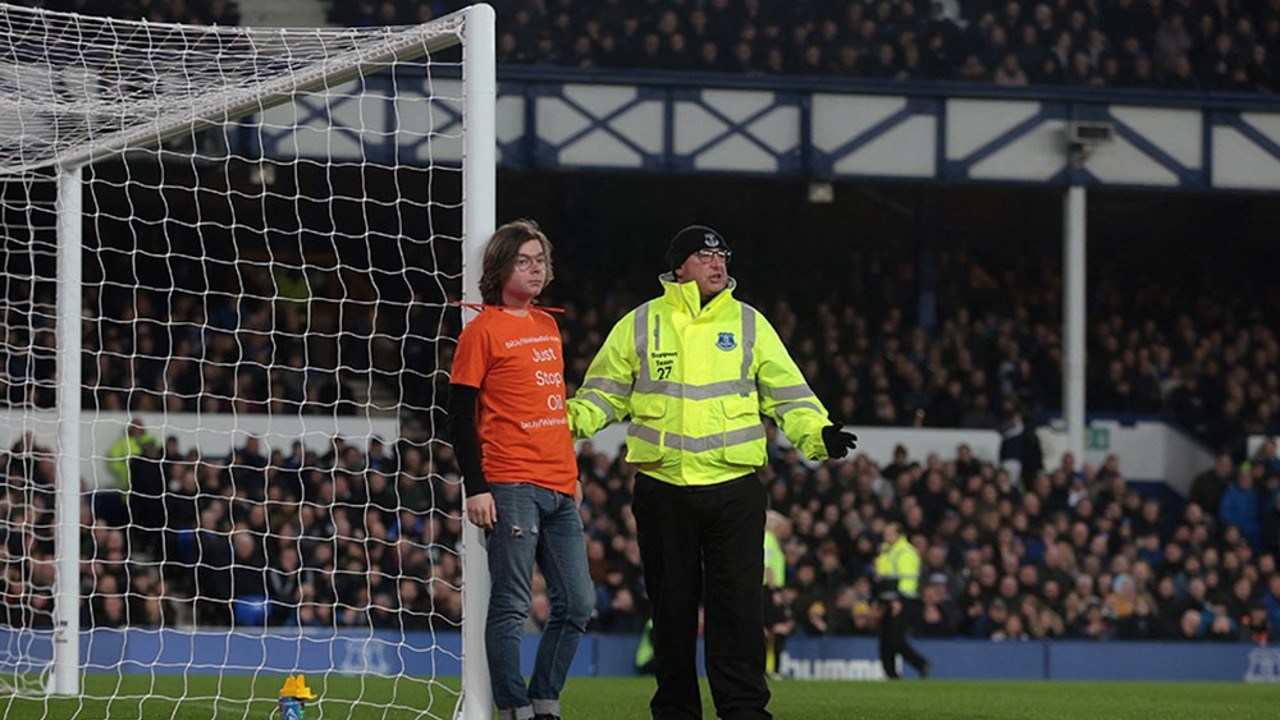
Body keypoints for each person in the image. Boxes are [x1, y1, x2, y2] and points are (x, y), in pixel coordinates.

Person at [567, 225, 857, 720]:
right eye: (705, 256)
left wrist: (818, 433)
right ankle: (675, 711)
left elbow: (789, 393)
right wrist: (558, 422)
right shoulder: (641, 323)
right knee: (671, 611)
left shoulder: (749, 323)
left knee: (740, 608)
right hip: (664, 488)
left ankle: (744, 710)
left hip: (734, 490)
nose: (718, 263)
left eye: (722, 255)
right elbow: (602, 395)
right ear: (679, 267)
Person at [449, 219, 593, 720]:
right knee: (512, 604)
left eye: (540, 260)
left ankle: (544, 701)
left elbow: (552, 406)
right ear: (500, 269)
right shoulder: (481, 331)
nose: (536, 269)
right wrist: (476, 486)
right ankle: (514, 708)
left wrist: (572, 472)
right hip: (510, 482)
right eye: (524, 261)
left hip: (559, 484)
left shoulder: (547, 326)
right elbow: (460, 415)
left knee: (577, 603)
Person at [874, 522, 931, 679]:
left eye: (889, 533)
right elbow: (881, 578)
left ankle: (920, 663)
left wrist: (899, 600)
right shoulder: (886, 552)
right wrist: (878, 601)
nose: (885, 536)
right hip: (886, 600)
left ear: (898, 534)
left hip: (903, 601)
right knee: (885, 639)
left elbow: (908, 580)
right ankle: (891, 674)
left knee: (894, 638)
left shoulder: (906, 552)